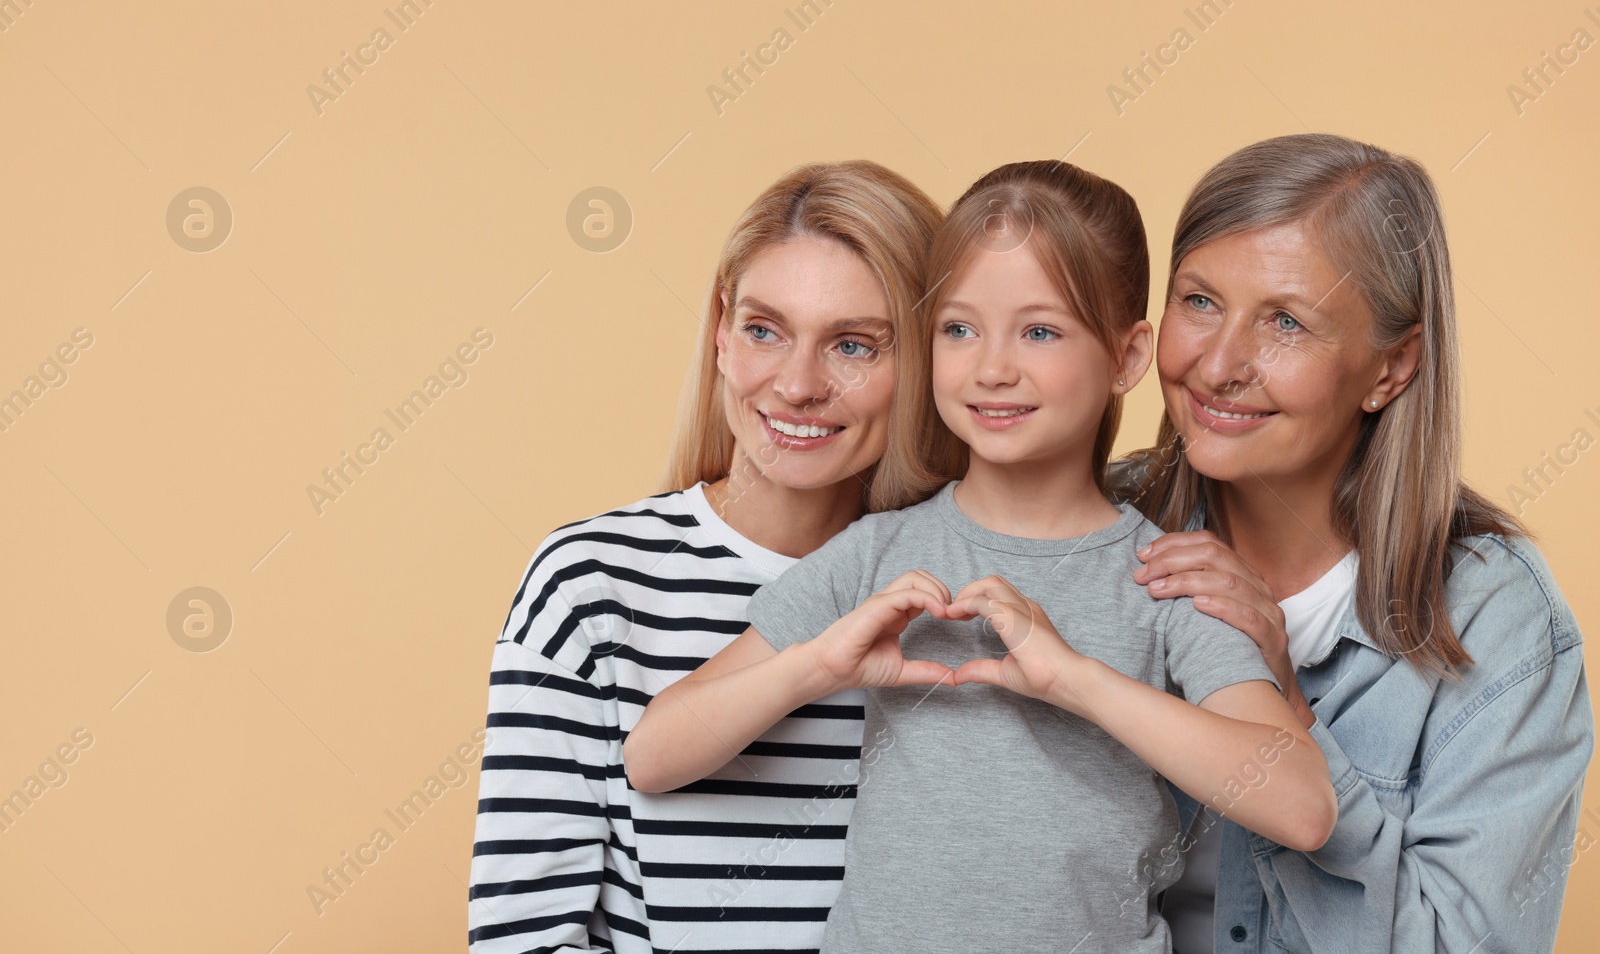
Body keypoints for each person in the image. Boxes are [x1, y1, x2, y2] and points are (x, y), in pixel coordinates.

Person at [624, 160, 1338, 954]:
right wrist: (817, 665)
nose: (992, 367)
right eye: (959, 329)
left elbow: (1302, 806)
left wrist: (1075, 679)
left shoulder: (1166, 578)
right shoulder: (878, 551)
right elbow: (653, 754)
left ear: (1129, 356)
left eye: (1039, 330)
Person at [1117, 133, 1594, 953]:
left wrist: (1285, 717)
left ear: (1392, 366)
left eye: (1286, 322)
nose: (1218, 363)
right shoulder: (1095, 527)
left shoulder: (1500, 622)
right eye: (1199, 301)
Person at [466, 160, 943, 953]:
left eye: (853, 345)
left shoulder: (954, 595)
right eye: (764, 329)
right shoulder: (589, 585)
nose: (796, 384)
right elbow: (522, 939)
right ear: (721, 330)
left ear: (928, 360)